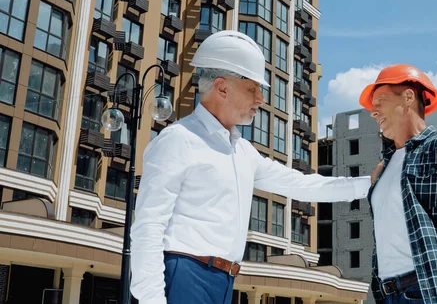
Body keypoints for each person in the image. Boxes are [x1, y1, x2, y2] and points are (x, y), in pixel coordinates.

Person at [129, 30, 373, 304]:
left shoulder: (242, 152)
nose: (261, 99)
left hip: (223, 280)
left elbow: (300, 184)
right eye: (253, 88)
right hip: (185, 275)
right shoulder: (179, 140)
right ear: (222, 87)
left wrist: (367, 184)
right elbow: (148, 226)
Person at [359, 64, 437, 304]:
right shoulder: (384, 168)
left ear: (408, 97)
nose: (373, 112)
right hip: (387, 293)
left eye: (380, 101)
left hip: (425, 290)